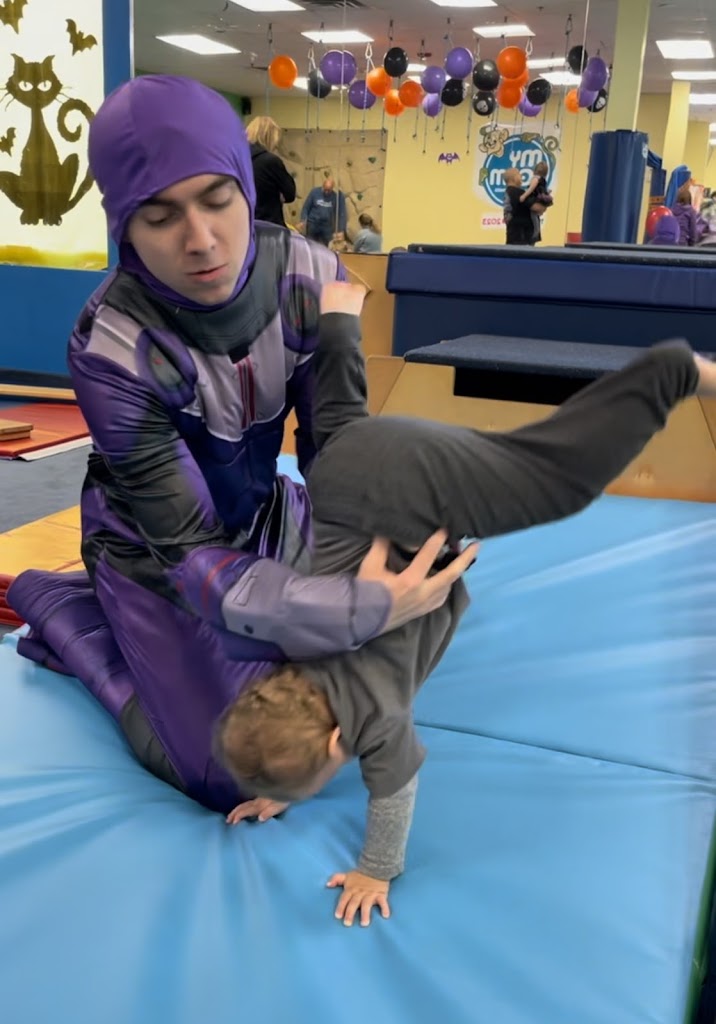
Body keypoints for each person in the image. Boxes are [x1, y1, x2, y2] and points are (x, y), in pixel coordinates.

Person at [6, 75, 473, 815]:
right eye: (160, 215)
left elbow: (339, 457)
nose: (200, 240)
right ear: (123, 225)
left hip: (263, 516)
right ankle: (71, 614)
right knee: (235, 766)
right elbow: (191, 554)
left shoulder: (310, 276)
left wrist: (383, 551)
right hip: (159, 553)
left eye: (217, 199)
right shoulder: (111, 346)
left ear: (245, 189)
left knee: (437, 565)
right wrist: (353, 614)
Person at [215, 281, 715, 928]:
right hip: (347, 470)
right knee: (339, 426)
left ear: (341, 739)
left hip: (419, 490)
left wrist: (376, 870)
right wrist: (278, 788)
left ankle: (669, 373)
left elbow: (394, 793)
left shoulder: (373, 717)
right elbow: (287, 717)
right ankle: (339, 318)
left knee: (554, 480)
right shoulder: (288, 651)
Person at [245, 115, 296, 228]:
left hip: (245, 225)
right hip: (269, 227)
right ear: (270, 138)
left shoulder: (237, 159)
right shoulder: (271, 162)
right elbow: (290, 194)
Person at [300, 178, 347, 246]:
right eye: (325, 189)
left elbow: (341, 213)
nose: (326, 192)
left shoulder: (335, 197)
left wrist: (341, 229)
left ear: (332, 189)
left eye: (329, 190)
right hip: (313, 223)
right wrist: (303, 220)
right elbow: (306, 207)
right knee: (310, 244)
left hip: (326, 225)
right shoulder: (314, 192)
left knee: (328, 245)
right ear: (323, 186)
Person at [519, 160, 553, 242]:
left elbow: (531, 189)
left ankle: (535, 232)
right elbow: (543, 189)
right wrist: (547, 192)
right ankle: (536, 231)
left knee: (533, 215)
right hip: (540, 198)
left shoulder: (535, 178)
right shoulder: (543, 180)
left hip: (534, 198)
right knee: (535, 216)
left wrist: (524, 196)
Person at [503, 169, 534, 245]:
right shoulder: (517, 192)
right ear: (514, 178)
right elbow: (535, 207)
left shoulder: (508, 191)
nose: (521, 176)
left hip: (512, 232)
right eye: (519, 174)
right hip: (521, 234)